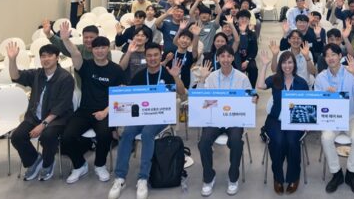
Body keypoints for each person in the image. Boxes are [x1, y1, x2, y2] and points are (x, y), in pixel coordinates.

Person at [109, 43, 186, 199]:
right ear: (145, 57)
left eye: (155, 55)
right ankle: (120, 177)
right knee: (127, 133)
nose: (152, 58)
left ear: (160, 55)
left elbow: (182, 92)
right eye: (149, 55)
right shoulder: (139, 75)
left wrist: (176, 76)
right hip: (142, 115)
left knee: (147, 133)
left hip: (161, 115)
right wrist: (123, 91)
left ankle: (143, 178)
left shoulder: (167, 73)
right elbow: (131, 98)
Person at [58, 22, 125, 183]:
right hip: (84, 110)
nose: (100, 50)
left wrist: (106, 112)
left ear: (108, 49)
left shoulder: (116, 70)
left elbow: (120, 96)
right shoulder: (85, 66)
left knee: (105, 136)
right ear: (92, 50)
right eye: (96, 48)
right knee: (67, 137)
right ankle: (79, 165)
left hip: (105, 111)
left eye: (103, 47)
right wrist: (65, 39)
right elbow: (75, 53)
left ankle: (100, 165)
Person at [8, 41, 74, 181]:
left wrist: (43, 124)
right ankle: (34, 160)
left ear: (57, 57)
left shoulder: (65, 78)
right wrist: (12, 59)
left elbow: (61, 106)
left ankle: (47, 163)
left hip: (57, 118)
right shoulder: (37, 74)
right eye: (43, 56)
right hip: (35, 117)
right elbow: (15, 76)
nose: (46, 59)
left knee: (47, 136)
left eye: (50, 55)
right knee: (17, 137)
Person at [198, 45, 255, 197]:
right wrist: (202, 79)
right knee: (203, 142)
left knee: (236, 141)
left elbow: (250, 99)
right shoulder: (211, 77)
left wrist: (253, 98)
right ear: (217, 58)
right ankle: (209, 177)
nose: (225, 59)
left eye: (228, 56)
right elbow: (201, 101)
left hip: (234, 119)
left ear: (233, 58)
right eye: (222, 56)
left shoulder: (242, 78)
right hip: (215, 119)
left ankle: (233, 177)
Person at [315, 44, 354, 195]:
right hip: (331, 118)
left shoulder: (351, 71)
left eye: (333, 54)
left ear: (340, 56)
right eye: (327, 55)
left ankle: (351, 174)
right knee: (326, 138)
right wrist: (326, 96)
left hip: (350, 116)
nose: (330, 58)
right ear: (324, 59)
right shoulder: (320, 78)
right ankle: (337, 173)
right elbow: (317, 103)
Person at [257, 50, 309, 194]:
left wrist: (307, 123)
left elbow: (308, 104)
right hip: (276, 119)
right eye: (284, 62)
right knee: (278, 142)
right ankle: (278, 178)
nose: (287, 66)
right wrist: (264, 65)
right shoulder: (275, 79)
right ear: (280, 65)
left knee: (292, 142)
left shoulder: (302, 82)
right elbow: (260, 85)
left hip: (295, 120)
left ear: (294, 64)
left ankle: (294, 177)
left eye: (290, 62)